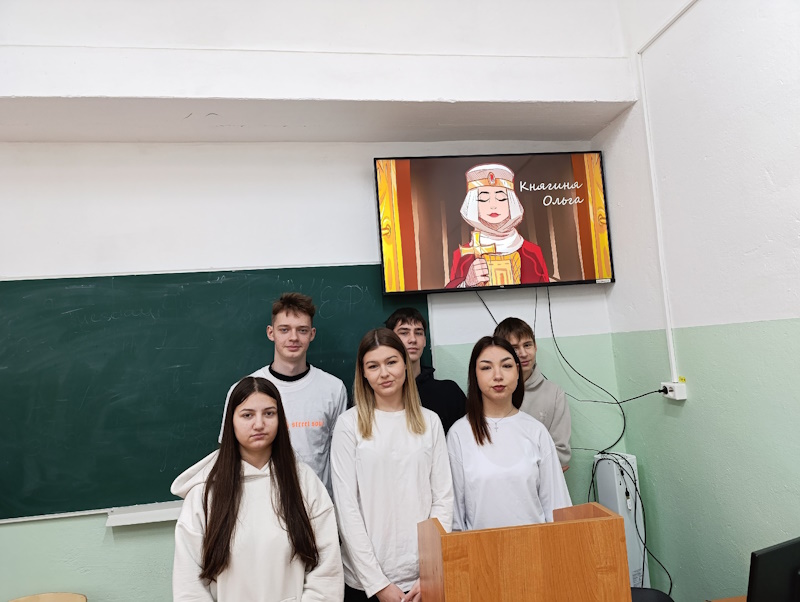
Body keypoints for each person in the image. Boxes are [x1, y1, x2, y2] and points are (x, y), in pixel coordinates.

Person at [172, 376, 344, 601]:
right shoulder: (205, 491)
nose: (259, 424)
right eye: (247, 415)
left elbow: (326, 571)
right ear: (230, 422)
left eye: (269, 413)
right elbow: (189, 583)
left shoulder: (304, 482)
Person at [331, 328, 453, 602]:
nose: (384, 373)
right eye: (373, 366)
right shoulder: (349, 425)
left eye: (391, 362)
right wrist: (378, 584)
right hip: (365, 583)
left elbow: (443, 499)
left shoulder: (430, 422)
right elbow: (347, 509)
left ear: (405, 365)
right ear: (363, 373)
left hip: (423, 578)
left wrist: (431, 570)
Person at [217, 292, 347, 497]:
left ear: (312, 334)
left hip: (317, 505)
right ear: (271, 333)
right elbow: (229, 453)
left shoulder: (333, 388)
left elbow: (340, 457)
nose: (293, 338)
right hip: (260, 503)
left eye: (302, 330)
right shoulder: (242, 391)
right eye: (284, 330)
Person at [447, 336, 571, 531]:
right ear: (474, 375)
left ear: (517, 371)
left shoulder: (536, 431)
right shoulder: (459, 434)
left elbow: (557, 506)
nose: (498, 375)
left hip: (536, 545)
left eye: (506, 366)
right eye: (486, 368)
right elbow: (455, 516)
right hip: (480, 547)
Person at [446, 163, 549, 288]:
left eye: (501, 198)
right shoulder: (462, 256)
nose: (493, 205)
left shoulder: (532, 252)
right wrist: (467, 284)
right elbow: (450, 295)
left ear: (511, 202)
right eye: (483, 199)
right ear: (473, 204)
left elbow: (546, 291)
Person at [494, 317, 572, 470]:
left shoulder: (555, 394)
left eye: (527, 345)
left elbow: (561, 454)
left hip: (544, 484)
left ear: (535, 347)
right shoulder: (492, 394)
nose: (523, 353)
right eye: (514, 348)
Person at [385, 307, 466, 434]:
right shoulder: (381, 394)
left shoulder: (449, 393)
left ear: (424, 341)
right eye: (404, 333)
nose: (413, 339)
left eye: (418, 333)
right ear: (390, 340)